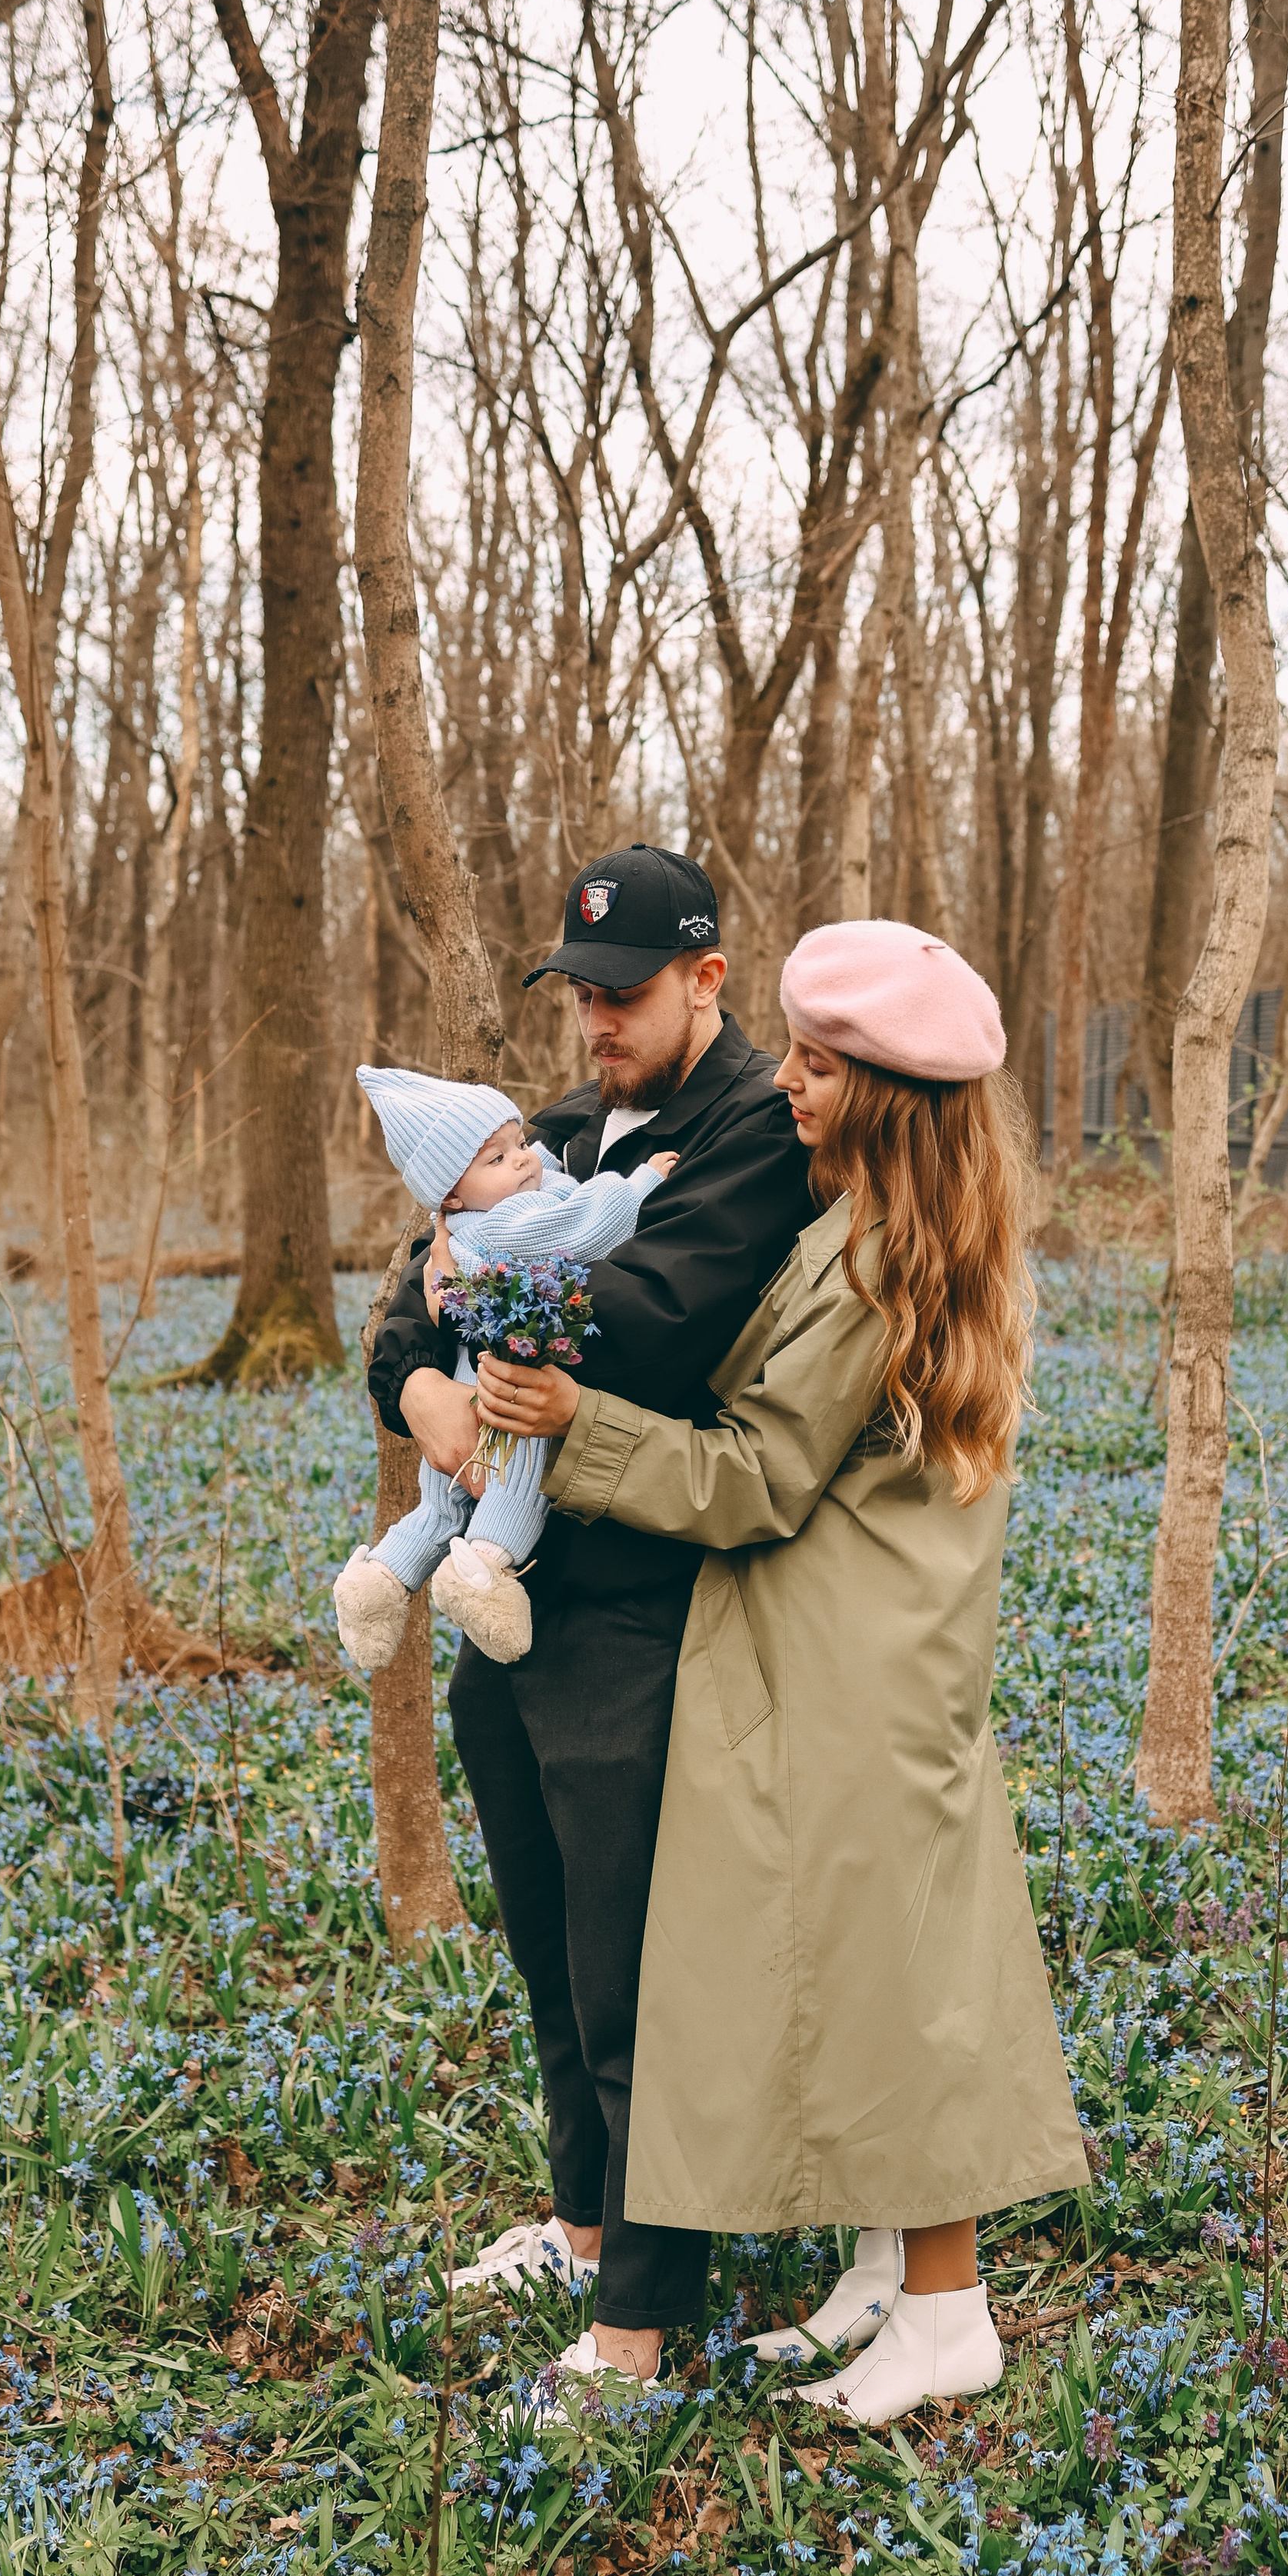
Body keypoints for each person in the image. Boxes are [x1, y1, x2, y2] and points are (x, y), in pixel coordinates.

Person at [474, 915, 1090, 2421]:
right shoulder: (881, 1227)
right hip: (863, 1645)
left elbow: (753, 1480)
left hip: (849, 1658)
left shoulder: (873, 1261)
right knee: (868, 1963)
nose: (789, 1087)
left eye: (815, 1069)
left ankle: (945, 2315)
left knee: (895, 1982)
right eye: (795, 1059)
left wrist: (575, 1427)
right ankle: (884, 2284)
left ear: (881, 1097)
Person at [366, 843, 817, 2358]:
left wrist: (483, 1284)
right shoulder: (547, 1132)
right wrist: (429, 1387)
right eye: (578, 995)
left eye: (625, 995)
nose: (597, 1024)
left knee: (637, 1962)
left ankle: (646, 2315)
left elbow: (655, 1316)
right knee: (551, 1945)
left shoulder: (757, 1130)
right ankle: (581, 2225)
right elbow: (397, 1313)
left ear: (704, 979)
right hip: (510, 1604)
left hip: (644, 1605)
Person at [334, 1069, 680, 1666]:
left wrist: (522, 1155)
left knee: (439, 1508)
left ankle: (380, 1580)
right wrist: (641, 1182)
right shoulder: (503, 1225)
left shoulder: (476, 1211)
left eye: (519, 1144)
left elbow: (538, 1174)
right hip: (500, 1402)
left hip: (458, 1400)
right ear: (449, 1195)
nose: (522, 1161)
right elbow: (582, 1225)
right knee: (515, 1486)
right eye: (500, 1158)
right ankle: (486, 1572)